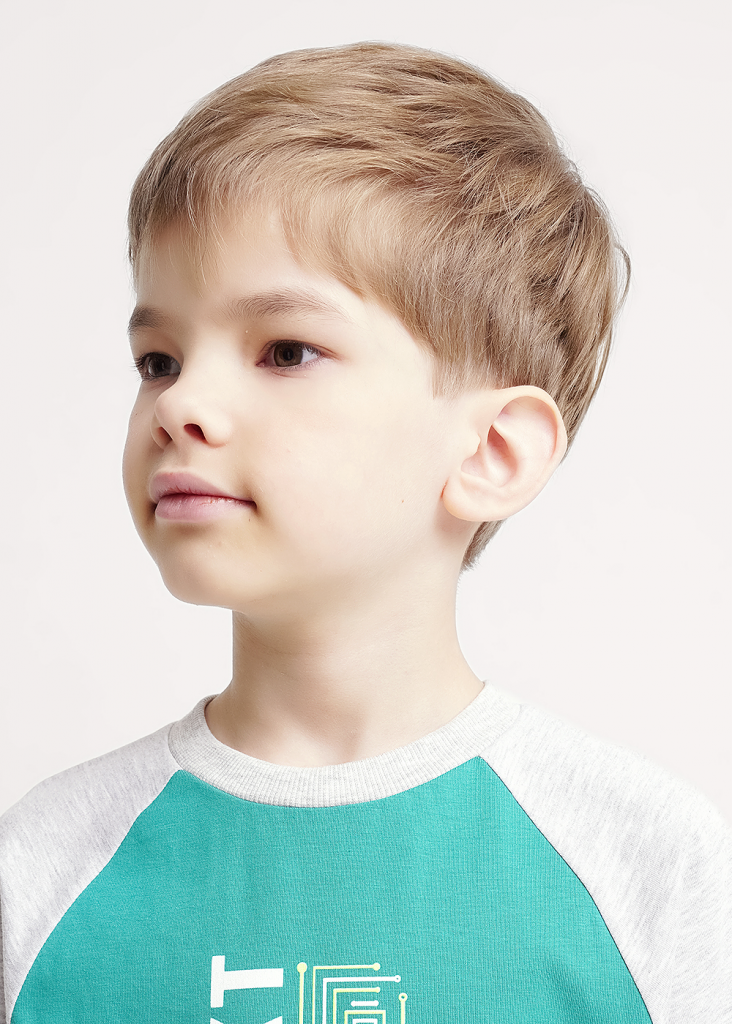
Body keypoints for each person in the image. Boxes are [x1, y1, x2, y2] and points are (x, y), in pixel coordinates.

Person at [0, 41, 729, 1024]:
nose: (180, 405)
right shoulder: (43, 872)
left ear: (493, 452)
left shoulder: (649, 870)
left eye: (285, 350)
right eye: (158, 359)